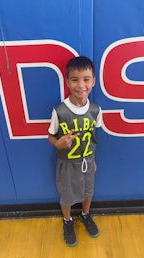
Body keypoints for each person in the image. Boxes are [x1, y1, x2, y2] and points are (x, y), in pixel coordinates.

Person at [48, 56, 102, 247]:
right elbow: (50, 136)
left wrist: (92, 158)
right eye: (75, 79)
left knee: (88, 192)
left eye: (86, 79)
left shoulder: (95, 110)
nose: (81, 85)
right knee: (67, 195)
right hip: (67, 164)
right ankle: (67, 220)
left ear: (93, 81)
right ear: (67, 81)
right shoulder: (60, 111)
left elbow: (93, 137)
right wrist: (58, 144)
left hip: (87, 162)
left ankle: (86, 215)